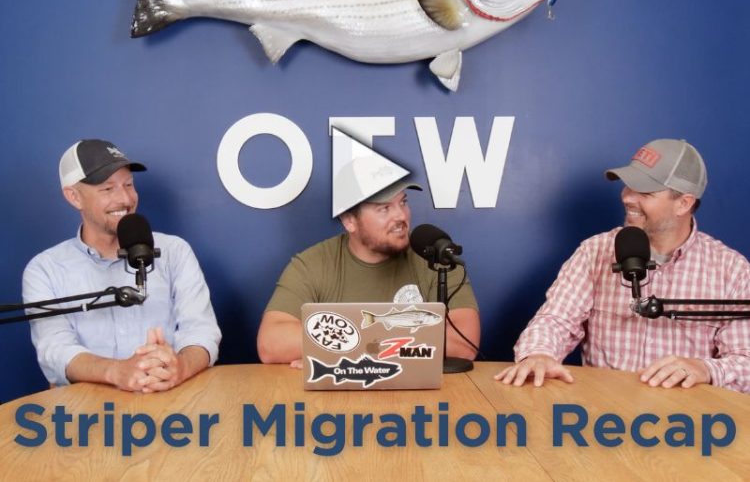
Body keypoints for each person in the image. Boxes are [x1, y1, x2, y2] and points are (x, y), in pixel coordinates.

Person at [495, 139, 750, 393]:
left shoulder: (731, 270)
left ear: (683, 203)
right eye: (628, 186)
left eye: (645, 193)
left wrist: (705, 369)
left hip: (687, 414)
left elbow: (745, 361)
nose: (628, 197)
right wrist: (539, 354)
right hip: (604, 411)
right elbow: (556, 320)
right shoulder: (595, 251)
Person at [23, 139, 221, 392]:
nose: (125, 198)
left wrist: (180, 367)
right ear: (74, 196)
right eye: (108, 189)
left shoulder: (174, 251)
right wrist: (119, 371)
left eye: (128, 184)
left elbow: (201, 330)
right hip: (88, 408)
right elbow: (55, 351)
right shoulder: (45, 269)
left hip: (170, 403)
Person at [257, 181, 480, 364]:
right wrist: (387, 345)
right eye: (384, 208)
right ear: (349, 220)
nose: (401, 216)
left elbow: (464, 344)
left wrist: (334, 352)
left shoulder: (438, 258)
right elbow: (270, 343)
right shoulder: (311, 264)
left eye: (403, 202)